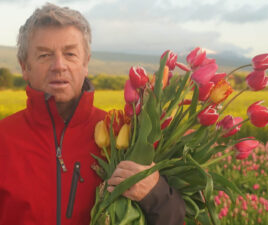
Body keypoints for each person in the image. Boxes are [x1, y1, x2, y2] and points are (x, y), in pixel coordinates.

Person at [0, 3, 185, 225]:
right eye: (44, 55)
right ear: (24, 66)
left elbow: (174, 220)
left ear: (86, 63)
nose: (59, 65)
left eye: (70, 54)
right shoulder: (4, 138)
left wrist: (157, 194)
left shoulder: (125, 134)